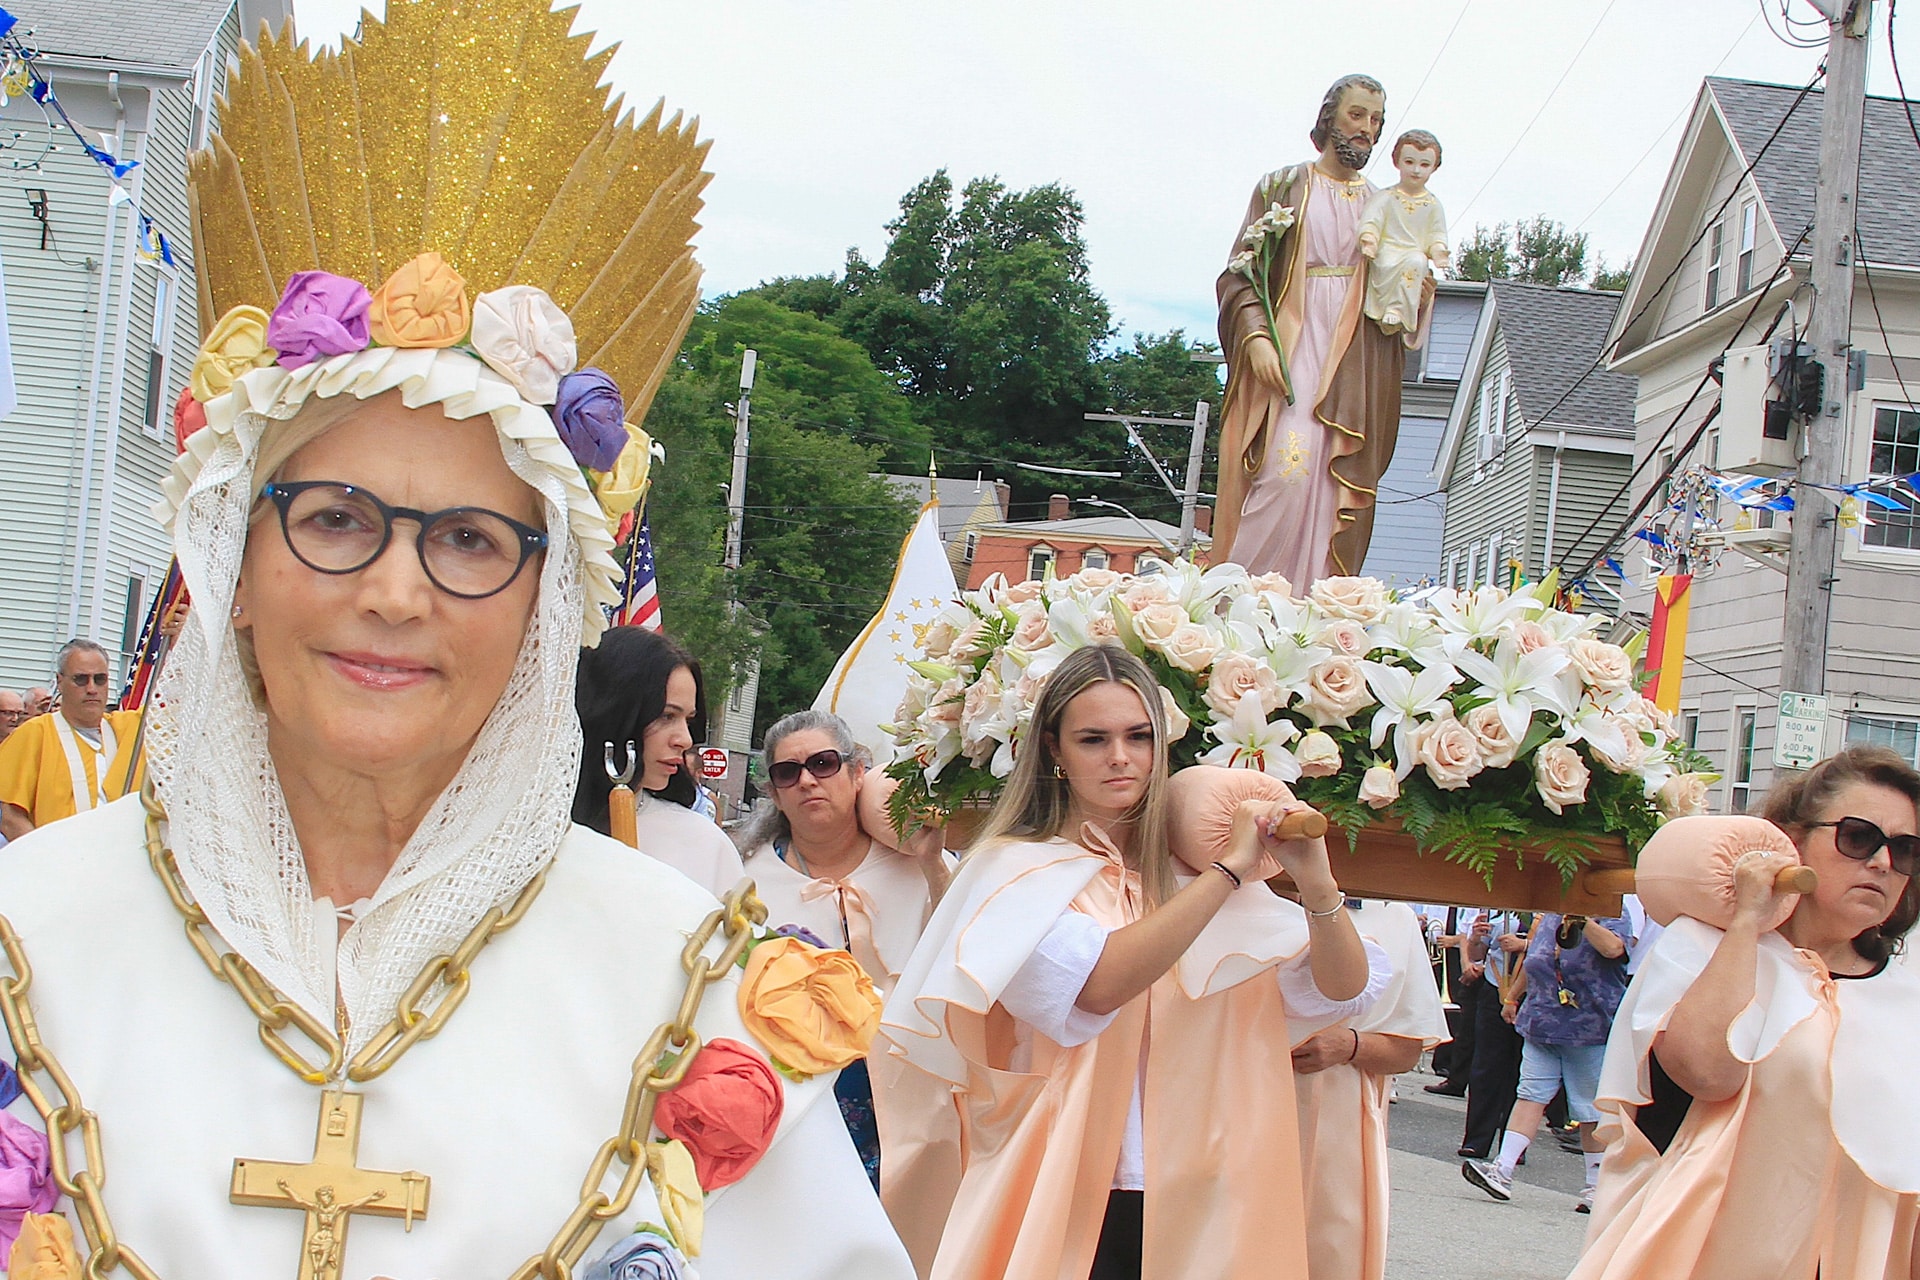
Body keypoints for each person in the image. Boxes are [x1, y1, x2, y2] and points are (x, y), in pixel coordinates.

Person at [0, 4, 915, 1276]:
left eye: (472, 540)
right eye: (333, 517)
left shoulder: (691, 985)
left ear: (545, 611)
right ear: (237, 568)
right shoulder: (23, 937)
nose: (393, 590)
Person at [878, 644, 1385, 1280]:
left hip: (1212, 1179)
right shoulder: (1010, 870)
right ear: (1054, 752)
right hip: (1072, 1177)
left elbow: (1343, 988)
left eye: (1138, 736)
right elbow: (1099, 984)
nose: (1121, 757)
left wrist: (1317, 883)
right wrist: (1229, 870)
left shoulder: (1194, 877)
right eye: (1094, 739)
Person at [1572, 747, 1920, 1279]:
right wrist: (1747, 922)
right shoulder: (1703, 945)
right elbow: (1706, 1072)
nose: (1881, 863)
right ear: (1793, 840)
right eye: (1858, 837)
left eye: (1905, 849)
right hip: (1701, 1255)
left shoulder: (1906, 992)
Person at [1212, 72, 1419, 583]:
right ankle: (1243, 602)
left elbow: (1402, 287)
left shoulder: (1387, 204)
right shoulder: (1283, 186)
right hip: (1293, 342)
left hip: (1353, 359)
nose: (1366, 130)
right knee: (1285, 472)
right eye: (1356, 116)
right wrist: (1257, 336)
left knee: (1333, 490)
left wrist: (1416, 285)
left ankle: (1311, 613)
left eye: (1376, 121)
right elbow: (1241, 274)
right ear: (1329, 118)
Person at [738, 710, 952, 1186]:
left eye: (824, 763)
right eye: (787, 773)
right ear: (773, 792)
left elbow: (961, 951)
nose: (808, 781)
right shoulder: (747, 882)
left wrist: (933, 864)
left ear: (858, 773)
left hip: (916, 1098)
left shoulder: (918, 862)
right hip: (804, 1109)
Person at [1293, 898, 1448, 1280]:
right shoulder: (1247, 891)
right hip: (1242, 1104)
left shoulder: (1394, 916)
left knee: (1325, 1251)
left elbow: (1406, 1050)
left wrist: (1350, 1045)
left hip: (1336, 1122)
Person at [1462, 911, 1633, 1212]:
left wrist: (1583, 922)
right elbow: (1535, 960)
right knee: (1530, 1094)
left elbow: (1614, 949)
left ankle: (1597, 1186)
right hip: (1543, 1021)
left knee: (1589, 1106)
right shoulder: (1552, 914)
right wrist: (1513, 997)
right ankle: (1502, 1170)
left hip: (1589, 1026)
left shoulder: (1613, 912)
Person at [572, 625, 746, 897]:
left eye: (688, 720)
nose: (685, 740)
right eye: (666, 716)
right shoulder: (533, 829)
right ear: (616, 713)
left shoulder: (704, 844)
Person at [0, 639, 143, 840]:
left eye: (100, 679)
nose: (92, 688)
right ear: (60, 681)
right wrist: (49, 862)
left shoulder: (132, 729)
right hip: (56, 863)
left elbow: (185, 703)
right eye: (81, 679)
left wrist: (179, 639)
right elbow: (12, 819)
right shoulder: (34, 734)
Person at [1357, 129, 1449, 336]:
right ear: (1397, 162)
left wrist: (1438, 251)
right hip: (1386, 252)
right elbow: (1372, 220)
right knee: (1390, 262)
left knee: (1417, 261)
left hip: (1412, 254)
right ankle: (1384, 307)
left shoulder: (1432, 205)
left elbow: (1436, 234)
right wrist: (1369, 239)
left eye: (1424, 164)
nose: (1416, 170)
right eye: (1409, 162)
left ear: (1434, 168)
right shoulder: (1386, 197)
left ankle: (1397, 309)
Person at [1459, 909, 1530, 1159]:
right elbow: (1479, 953)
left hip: (1530, 992)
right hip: (1494, 988)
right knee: (1485, 1066)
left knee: (1519, 1071)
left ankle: (1513, 1144)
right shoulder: (1499, 911)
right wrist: (1476, 939)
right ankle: (1476, 1139)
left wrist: (1525, 944)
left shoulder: (1543, 912)